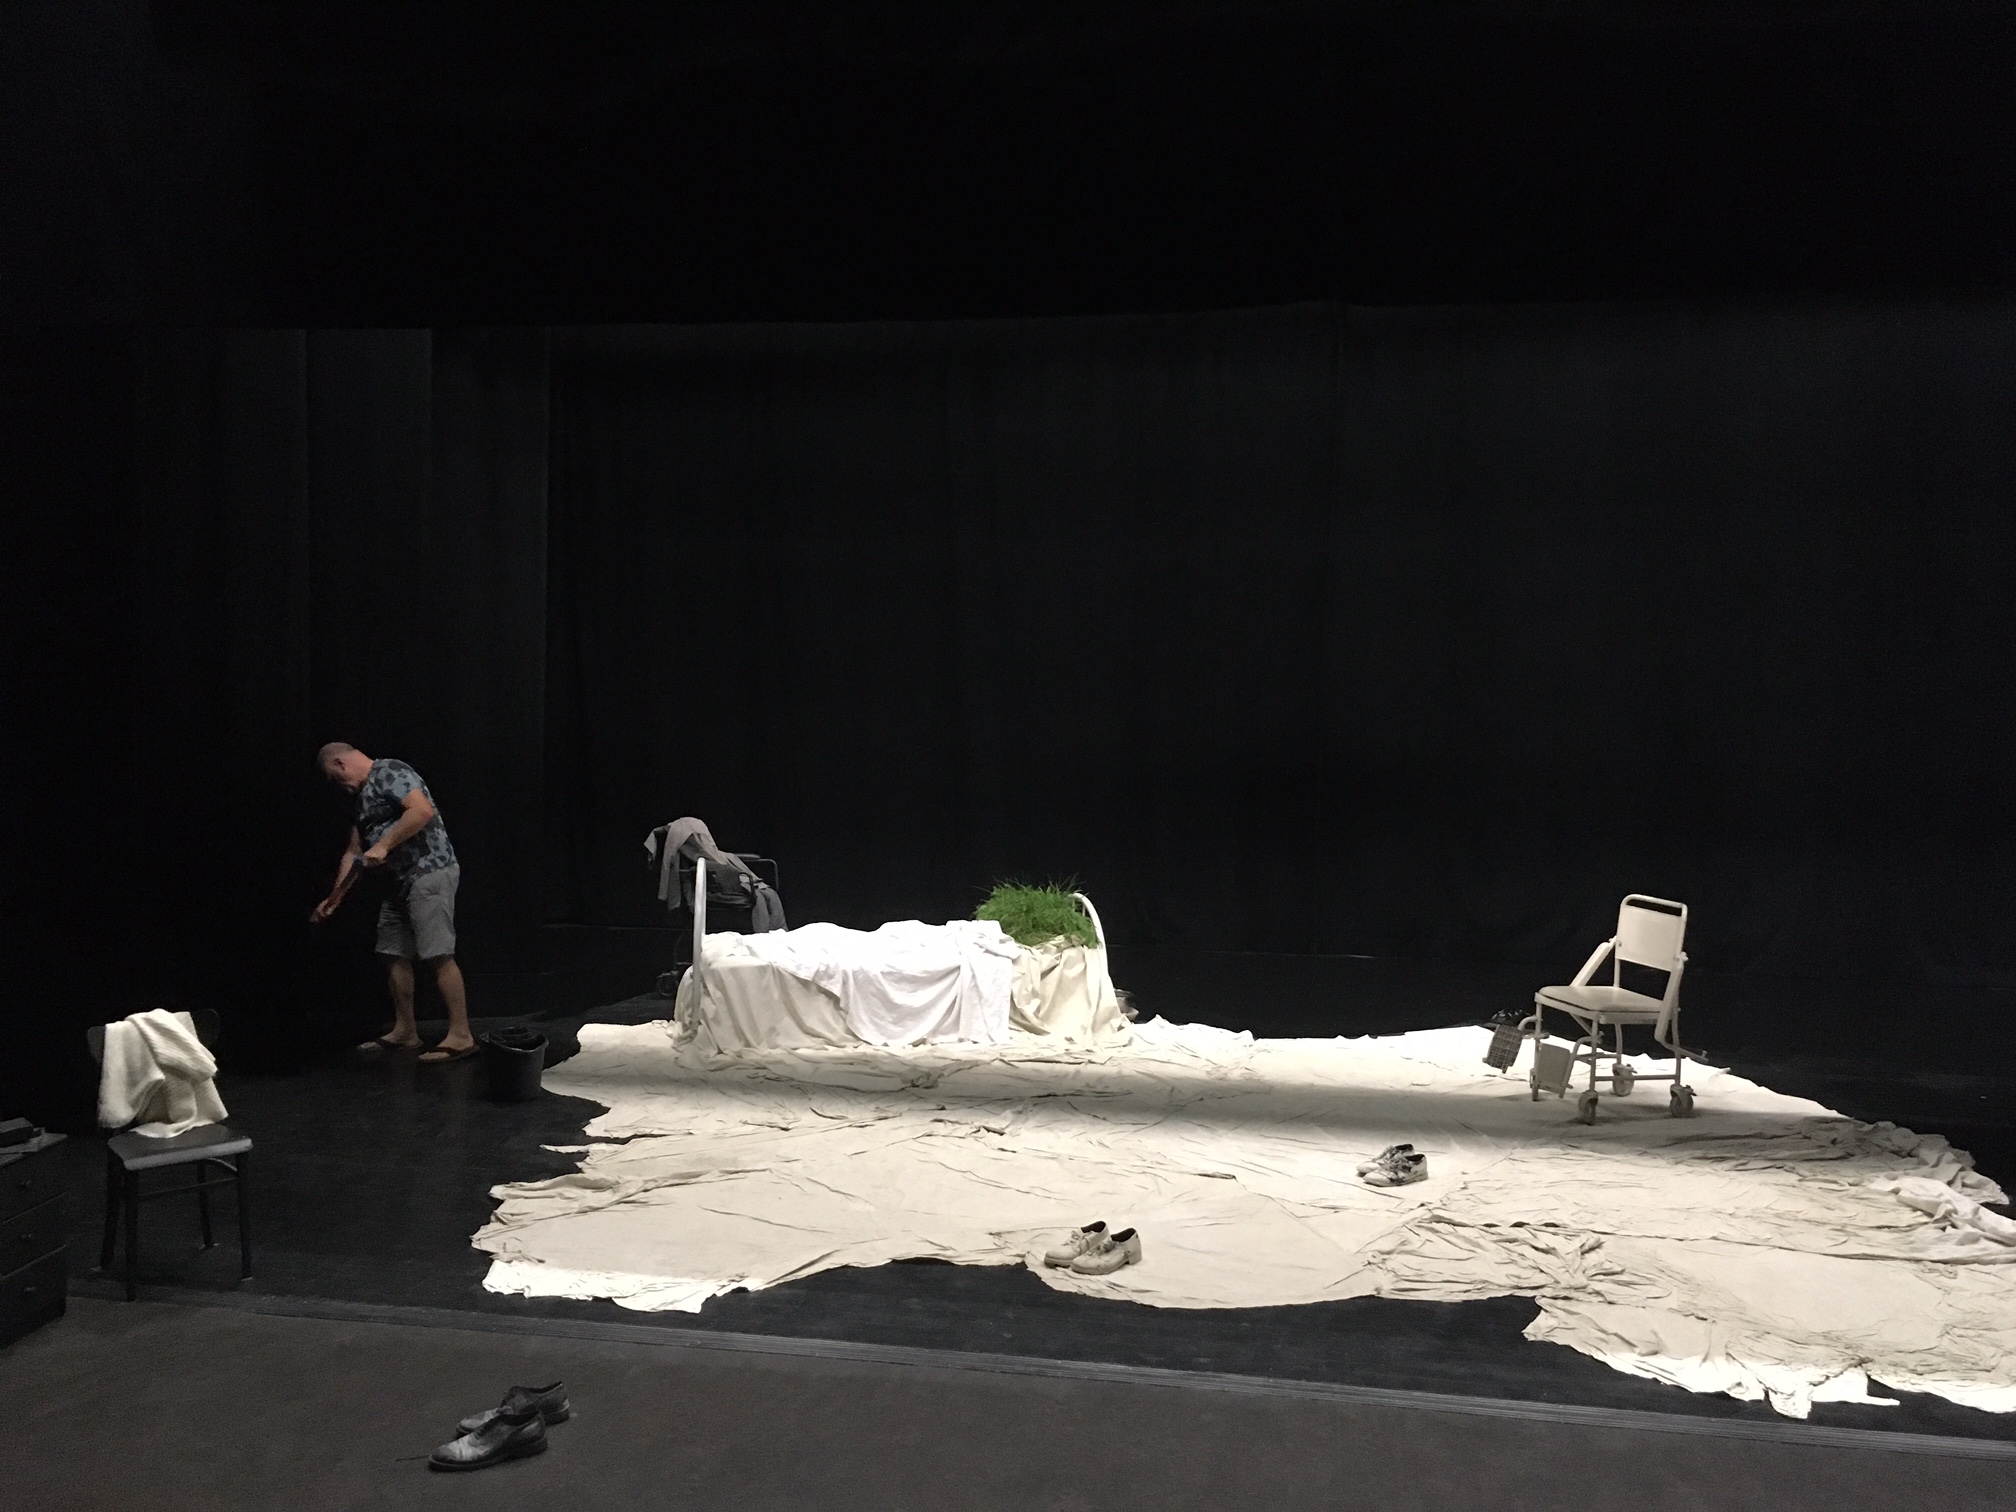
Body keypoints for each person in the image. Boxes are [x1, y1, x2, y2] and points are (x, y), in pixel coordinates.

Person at [310, 743, 475, 1062]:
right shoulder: (361, 798)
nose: (340, 787)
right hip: (397, 882)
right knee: (392, 952)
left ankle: (461, 1035)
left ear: (341, 764)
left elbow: (421, 810)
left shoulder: (389, 771)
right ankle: (406, 1031)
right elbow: (354, 853)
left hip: (428, 871)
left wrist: (385, 845)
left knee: (437, 953)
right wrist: (334, 898)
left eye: (335, 778)